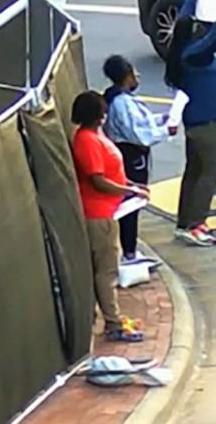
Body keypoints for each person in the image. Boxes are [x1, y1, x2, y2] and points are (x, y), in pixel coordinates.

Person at [70, 90, 149, 342]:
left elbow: (109, 174)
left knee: (105, 269)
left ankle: (109, 319)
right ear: (98, 116)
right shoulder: (87, 141)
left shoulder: (92, 137)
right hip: (98, 213)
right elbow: (98, 180)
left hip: (106, 210)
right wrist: (129, 190)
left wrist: (131, 185)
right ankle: (113, 323)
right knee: (106, 271)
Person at [164, 0, 216, 246]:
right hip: (210, 125)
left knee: (194, 173)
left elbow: (184, 18)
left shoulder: (181, 53)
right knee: (210, 174)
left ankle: (184, 222)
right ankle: (197, 223)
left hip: (195, 124)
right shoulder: (197, 54)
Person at [102, 55, 175, 265]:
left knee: (132, 201)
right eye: (134, 73)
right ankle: (129, 252)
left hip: (130, 154)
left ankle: (130, 249)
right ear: (126, 76)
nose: (138, 77)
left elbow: (141, 122)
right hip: (130, 157)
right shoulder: (120, 102)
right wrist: (165, 131)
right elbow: (137, 133)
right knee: (131, 203)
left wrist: (160, 120)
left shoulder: (118, 98)